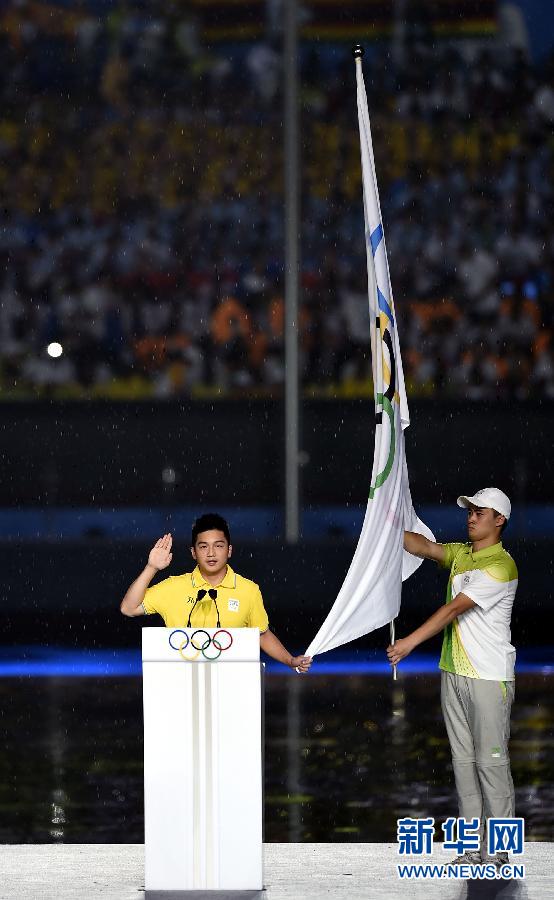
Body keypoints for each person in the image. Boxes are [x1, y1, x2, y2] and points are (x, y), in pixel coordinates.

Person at [386, 488, 517, 870]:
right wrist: (388, 524)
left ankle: (500, 849)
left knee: (491, 764)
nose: (471, 517)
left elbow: (453, 610)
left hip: (489, 676)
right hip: (454, 671)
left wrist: (409, 641)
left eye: (480, 512)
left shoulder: (502, 565)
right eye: (470, 511)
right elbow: (423, 547)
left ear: (499, 520)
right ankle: (475, 848)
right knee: (463, 762)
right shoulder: (462, 554)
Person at [120, 512, 312, 673]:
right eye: (203, 547)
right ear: (193, 552)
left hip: (231, 689)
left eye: (218, 546)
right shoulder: (173, 587)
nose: (211, 553)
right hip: (179, 687)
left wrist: (290, 660)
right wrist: (151, 567)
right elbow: (129, 608)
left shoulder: (248, 590)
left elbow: (261, 634)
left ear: (229, 550)